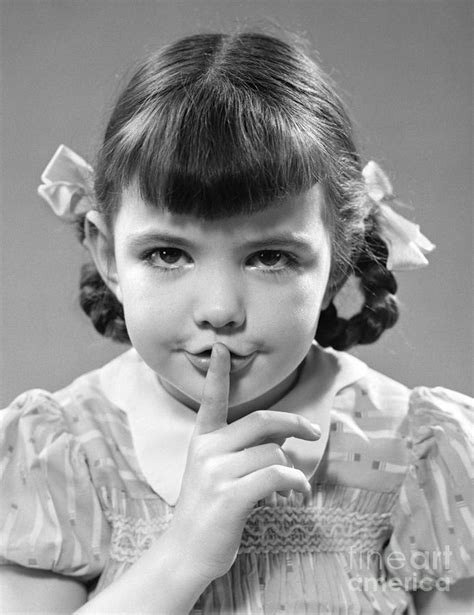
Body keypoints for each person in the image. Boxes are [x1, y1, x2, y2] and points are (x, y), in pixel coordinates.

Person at [0, 31, 472, 615]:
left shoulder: (418, 451)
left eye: (270, 256)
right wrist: (182, 554)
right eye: (167, 254)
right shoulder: (61, 452)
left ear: (339, 260)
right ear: (106, 254)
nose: (220, 309)